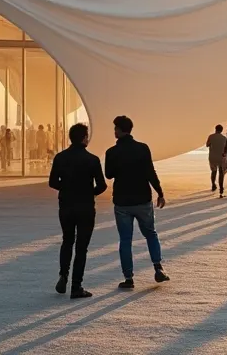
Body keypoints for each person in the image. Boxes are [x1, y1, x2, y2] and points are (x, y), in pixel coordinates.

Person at [104, 115, 169, 289]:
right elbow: (150, 172)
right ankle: (158, 267)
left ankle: (129, 278)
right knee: (150, 234)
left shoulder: (112, 152)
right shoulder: (142, 148)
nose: (114, 131)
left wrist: (119, 165)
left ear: (120, 130)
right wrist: (160, 192)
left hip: (122, 202)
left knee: (125, 240)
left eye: (115, 128)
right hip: (142, 199)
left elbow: (108, 174)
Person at [49, 122, 107, 299]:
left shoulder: (60, 157)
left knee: (67, 240)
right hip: (86, 207)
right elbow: (102, 186)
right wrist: (90, 193)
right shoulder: (92, 159)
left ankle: (63, 275)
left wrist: (66, 188)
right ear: (84, 138)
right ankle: (76, 286)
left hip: (66, 205)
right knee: (82, 247)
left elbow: (52, 182)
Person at [206, 125, 227, 196]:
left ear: (215, 129)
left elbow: (207, 145)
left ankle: (213, 184)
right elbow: (226, 148)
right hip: (221, 157)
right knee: (221, 172)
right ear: (221, 130)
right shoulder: (224, 138)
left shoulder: (211, 136)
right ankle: (221, 187)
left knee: (213, 171)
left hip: (212, 157)